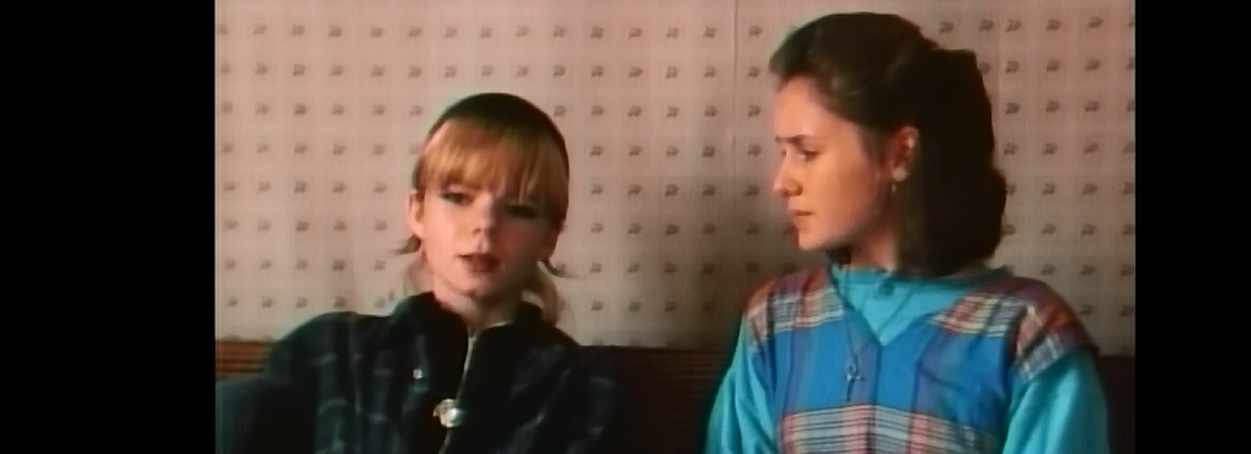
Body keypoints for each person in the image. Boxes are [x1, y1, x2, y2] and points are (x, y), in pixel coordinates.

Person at [704, 13, 1111, 454]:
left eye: (807, 151)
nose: (781, 182)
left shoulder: (1027, 335)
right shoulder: (774, 321)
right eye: (783, 152)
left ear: (900, 154)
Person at [216, 92, 623, 454]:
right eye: (457, 198)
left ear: (549, 236)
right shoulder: (328, 355)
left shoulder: (582, 389)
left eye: (519, 209)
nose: (484, 225)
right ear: (417, 211)